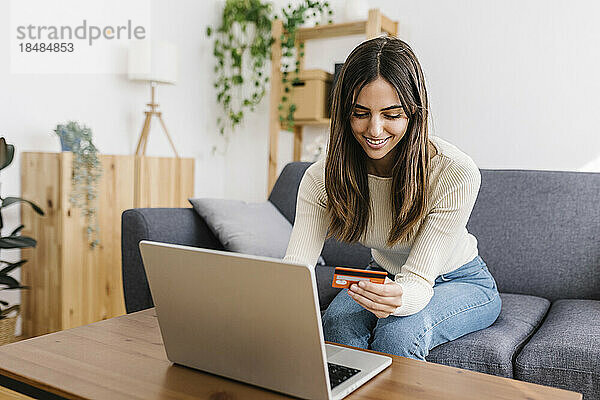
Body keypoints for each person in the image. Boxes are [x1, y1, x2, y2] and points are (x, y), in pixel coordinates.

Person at [283, 36, 502, 360]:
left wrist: (398, 297)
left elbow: (416, 281)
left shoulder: (454, 172)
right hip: (382, 273)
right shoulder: (321, 178)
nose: (374, 129)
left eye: (391, 114)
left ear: (414, 112)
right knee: (338, 326)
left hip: (459, 280)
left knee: (398, 335)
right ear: (344, 113)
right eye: (360, 113)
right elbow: (295, 272)